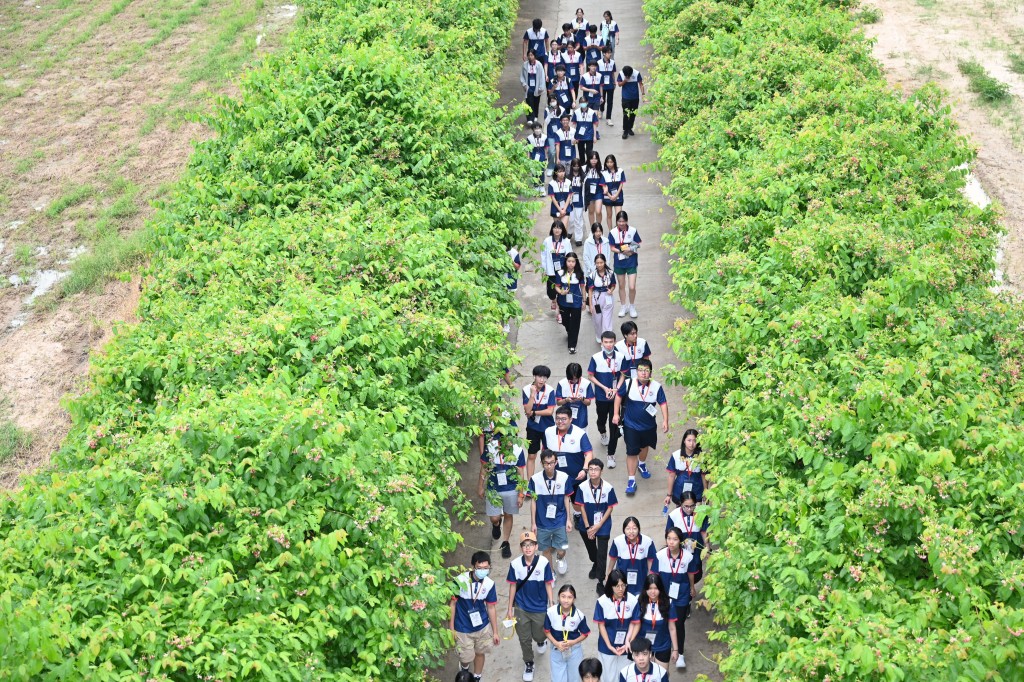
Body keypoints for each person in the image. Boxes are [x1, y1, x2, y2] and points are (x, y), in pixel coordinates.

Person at [613, 358, 668, 496]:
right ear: (636, 371)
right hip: (630, 425)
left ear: (651, 372)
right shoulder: (628, 383)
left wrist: (665, 420)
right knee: (631, 452)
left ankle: (642, 464)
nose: (643, 373)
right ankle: (631, 480)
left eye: (646, 371)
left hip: (648, 426)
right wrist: (615, 414)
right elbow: (618, 397)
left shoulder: (656, 386)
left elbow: (663, 403)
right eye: (640, 370)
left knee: (644, 447)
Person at [507, 531, 556, 682]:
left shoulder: (543, 563)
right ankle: (529, 663)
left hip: (540, 607)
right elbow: (513, 586)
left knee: (539, 634)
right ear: (521, 547)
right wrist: (510, 608)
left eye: (531, 545)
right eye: (525, 545)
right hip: (521, 607)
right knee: (524, 638)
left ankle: (541, 640)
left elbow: (548, 583)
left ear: (536, 546)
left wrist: (551, 602)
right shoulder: (515, 564)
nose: (528, 548)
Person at [452, 551, 501, 682]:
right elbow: (452, 605)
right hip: (463, 627)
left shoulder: (489, 584)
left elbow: (491, 607)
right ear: (473, 566)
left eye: (486, 568)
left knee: (480, 652)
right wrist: (451, 628)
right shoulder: (460, 581)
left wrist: (495, 632)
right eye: (480, 568)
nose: (483, 571)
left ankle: (477, 677)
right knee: (466, 657)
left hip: (482, 627)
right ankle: (465, 670)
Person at [478, 425, 527, 559]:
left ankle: (505, 543)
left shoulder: (517, 450)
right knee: (494, 517)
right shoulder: (491, 447)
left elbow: (521, 473)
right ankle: (496, 524)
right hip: (494, 488)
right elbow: (483, 468)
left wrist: (521, 494)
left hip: (511, 488)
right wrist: (480, 486)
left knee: (508, 514)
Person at [650, 528, 694, 670]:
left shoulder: (688, 556)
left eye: (674, 539)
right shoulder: (660, 555)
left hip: (681, 596)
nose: (671, 542)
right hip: (664, 596)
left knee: (679, 624)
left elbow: (690, 574)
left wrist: (692, 587)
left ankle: (680, 653)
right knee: (661, 622)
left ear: (680, 541)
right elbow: (654, 577)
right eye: (669, 538)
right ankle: (657, 649)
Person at [528, 449, 575, 575]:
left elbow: (567, 497)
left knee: (561, 549)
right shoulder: (534, 479)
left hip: (559, 520)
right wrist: (533, 523)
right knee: (546, 549)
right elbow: (533, 501)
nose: (549, 466)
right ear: (542, 463)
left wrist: (568, 519)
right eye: (546, 463)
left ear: (556, 462)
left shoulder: (564, 477)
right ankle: (551, 572)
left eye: (552, 462)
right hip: (542, 521)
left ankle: (560, 558)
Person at [574, 458, 618, 595]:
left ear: (601, 471)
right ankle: (595, 563)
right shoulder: (582, 487)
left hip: (603, 524)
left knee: (602, 554)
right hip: (586, 524)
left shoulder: (608, 488)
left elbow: (610, 508)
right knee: (592, 551)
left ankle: (601, 581)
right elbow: (581, 507)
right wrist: (588, 528)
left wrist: (598, 526)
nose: (593, 472)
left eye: (596, 469)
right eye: (591, 469)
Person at [593, 570, 639, 681]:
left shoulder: (632, 600)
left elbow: (635, 623)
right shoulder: (602, 602)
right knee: (608, 677)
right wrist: (609, 646)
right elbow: (601, 625)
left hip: (626, 647)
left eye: (623, 585)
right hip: (606, 648)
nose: (620, 589)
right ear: (610, 586)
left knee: (626, 676)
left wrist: (629, 642)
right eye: (617, 586)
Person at [588, 331, 625, 465]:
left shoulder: (621, 357)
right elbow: (591, 376)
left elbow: (623, 374)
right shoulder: (596, 357)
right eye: (606, 342)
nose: (608, 345)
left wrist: (617, 389)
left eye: (611, 342)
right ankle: (602, 432)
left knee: (614, 424)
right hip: (601, 396)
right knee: (601, 419)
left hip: (616, 397)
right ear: (602, 343)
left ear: (615, 342)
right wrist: (604, 388)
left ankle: (611, 454)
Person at [544, 584, 590, 682]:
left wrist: (573, 642)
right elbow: (546, 631)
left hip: (574, 651)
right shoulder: (550, 612)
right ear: (558, 597)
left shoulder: (579, 615)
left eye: (570, 597)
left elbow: (585, 634)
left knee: (575, 679)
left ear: (574, 599)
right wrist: (556, 643)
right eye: (563, 596)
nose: (566, 600)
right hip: (556, 650)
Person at [635, 574, 679, 670]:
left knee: (662, 676)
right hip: (643, 647)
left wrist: (675, 649)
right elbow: (634, 624)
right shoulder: (639, 601)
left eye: (656, 588)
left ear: (660, 589)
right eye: (650, 588)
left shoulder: (669, 603)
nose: (653, 592)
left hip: (663, 646)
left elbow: (672, 628)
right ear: (645, 589)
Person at [606, 516, 656, 597]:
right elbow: (613, 559)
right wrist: (608, 574)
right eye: (628, 528)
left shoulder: (648, 542)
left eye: (634, 528)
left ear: (639, 529)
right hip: (622, 582)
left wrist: (651, 579)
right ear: (624, 530)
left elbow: (650, 561)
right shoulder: (617, 541)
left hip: (641, 580)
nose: (631, 531)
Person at [545, 404, 595, 483]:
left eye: (564, 419)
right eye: (557, 419)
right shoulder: (548, 432)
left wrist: (584, 470)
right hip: (556, 478)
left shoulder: (580, 433)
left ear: (571, 419)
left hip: (576, 478)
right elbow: (545, 451)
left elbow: (589, 453)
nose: (560, 422)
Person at [522, 365, 557, 477]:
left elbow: (550, 411)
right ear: (534, 376)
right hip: (533, 427)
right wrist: (532, 395)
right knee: (532, 455)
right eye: (540, 377)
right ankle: (530, 483)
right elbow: (527, 411)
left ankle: (549, 477)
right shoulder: (526, 389)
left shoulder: (550, 390)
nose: (542, 380)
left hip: (548, 428)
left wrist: (534, 412)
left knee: (549, 457)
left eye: (545, 377)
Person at [664, 429, 709, 506]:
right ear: (684, 441)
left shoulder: (702, 457)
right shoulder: (676, 455)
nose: (692, 444)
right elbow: (671, 476)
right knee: (681, 515)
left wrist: (706, 493)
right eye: (689, 440)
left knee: (696, 515)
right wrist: (668, 495)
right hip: (679, 491)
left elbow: (704, 476)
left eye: (694, 441)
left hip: (697, 492)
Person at [608, 212, 640, 318]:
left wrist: (630, 250)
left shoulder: (633, 230)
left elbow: (638, 243)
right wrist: (622, 252)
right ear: (616, 221)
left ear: (626, 221)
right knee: (621, 285)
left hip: (631, 261)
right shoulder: (612, 232)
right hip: (619, 262)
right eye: (619, 221)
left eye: (623, 221)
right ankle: (623, 306)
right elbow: (612, 247)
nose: (621, 223)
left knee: (631, 286)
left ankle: (632, 306)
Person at [554, 252, 586, 353]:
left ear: (576, 262)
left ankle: (572, 346)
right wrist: (561, 292)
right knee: (565, 320)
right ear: (566, 261)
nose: (571, 263)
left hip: (576, 302)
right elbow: (556, 286)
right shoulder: (560, 273)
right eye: (569, 261)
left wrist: (584, 301)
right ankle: (569, 330)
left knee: (575, 323)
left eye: (573, 261)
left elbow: (582, 287)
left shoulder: (580, 273)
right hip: (563, 302)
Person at [542, 219, 570, 320]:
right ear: (552, 229)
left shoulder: (566, 241)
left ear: (562, 230)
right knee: (551, 292)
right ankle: (553, 300)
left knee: (561, 292)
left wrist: (570, 270)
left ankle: (559, 313)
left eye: (559, 228)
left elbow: (569, 255)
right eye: (555, 227)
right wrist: (544, 269)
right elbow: (543, 255)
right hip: (551, 271)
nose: (557, 230)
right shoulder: (547, 241)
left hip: (562, 272)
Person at [556, 362, 595, 431]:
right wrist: (566, 400)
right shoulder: (562, 383)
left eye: (576, 378)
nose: (574, 380)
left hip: (581, 417)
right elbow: (558, 403)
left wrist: (582, 399)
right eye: (571, 379)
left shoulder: (586, 383)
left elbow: (588, 403)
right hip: (565, 417)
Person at [587, 254, 616, 344]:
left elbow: (613, 285)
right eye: (597, 263)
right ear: (595, 263)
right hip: (596, 298)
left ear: (605, 262)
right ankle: (599, 336)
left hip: (608, 297)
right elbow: (590, 290)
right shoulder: (592, 275)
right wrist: (591, 305)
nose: (599, 265)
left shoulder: (610, 273)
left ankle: (607, 339)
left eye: (601, 262)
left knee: (607, 320)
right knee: (598, 319)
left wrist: (611, 290)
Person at [616, 65, 645, 138]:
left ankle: (630, 128)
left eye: (629, 75)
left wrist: (643, 94)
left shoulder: (636, 73)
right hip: (626, 98)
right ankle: (625, 130)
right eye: (627, 75)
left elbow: (641, 84)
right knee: (626, 114)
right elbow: (619, 85)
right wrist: (625, 81)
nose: (628, 76)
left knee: (633, 114)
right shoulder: (621, 73)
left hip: (635, 97)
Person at [522, 50, 546, 126]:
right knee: (529, 102)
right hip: (529, 86)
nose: (530, 57)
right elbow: (522, 76)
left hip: (537, 85)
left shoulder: (539, 65)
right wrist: (524, 84)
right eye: (529, 55)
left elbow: (542, 76)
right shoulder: (525, 65)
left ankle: (535, 116)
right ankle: (529, 118)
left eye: (532, 55)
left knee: (536, 102)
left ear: (534, 56)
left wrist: (541, 87)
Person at [573, 97, 599, 164]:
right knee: (581, 152)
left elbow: (594, 124)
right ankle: (582, 165)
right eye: (581, 102)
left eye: (584, 102)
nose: (583, 104)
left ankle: (588, 165)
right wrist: (573, 136)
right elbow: (574, 124)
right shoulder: (576, 112)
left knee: (589, 152)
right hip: (579, 136)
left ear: (587, 103)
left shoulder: (592, 112)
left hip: (589, 135)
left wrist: (594, 136)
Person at [568, 158, 587, 245]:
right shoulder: (568, 177)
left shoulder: (583, 177)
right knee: (571, 219)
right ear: (572, 166)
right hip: (570, 201)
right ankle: (569, 232)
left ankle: (578, 238)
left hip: (579, 200)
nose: (576, 167)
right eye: (574, 166)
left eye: (577, 166)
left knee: (578, 219)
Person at [583, 154, 605, 229]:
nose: (594, 160)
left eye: (595, 159)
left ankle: (598, 228)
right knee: (591, 211)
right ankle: (593, 229)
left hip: (598, 192)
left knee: (598, 211)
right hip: (589, 193)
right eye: (592, 158)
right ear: (589, 159)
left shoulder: (601, 167)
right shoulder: (584, 168)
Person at [598, 47, 617, 126]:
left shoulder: (612, 62)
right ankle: (601, 110)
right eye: (608, 53)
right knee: (602, 100)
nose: (610, 54)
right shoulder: (599, 63)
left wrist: (614, 82)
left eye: (610, 52)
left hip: (610, 85)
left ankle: (608, 118)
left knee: (610, 102)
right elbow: (597, 74)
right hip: (602, 85)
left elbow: (613, 73)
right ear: (604, 54)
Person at [527, 123, 548, 192]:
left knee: (542, 171)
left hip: (542, 156)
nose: (538, 130)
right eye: (536, 129)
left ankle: (541, 186)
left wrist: (546, 158)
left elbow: (546, 149)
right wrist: (528, 159)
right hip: (533, 157)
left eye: (539, 128)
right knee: (534, 172)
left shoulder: (545, 137)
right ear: (533, 130)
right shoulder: (529, 138)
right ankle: (535, 186)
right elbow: (528, 150)